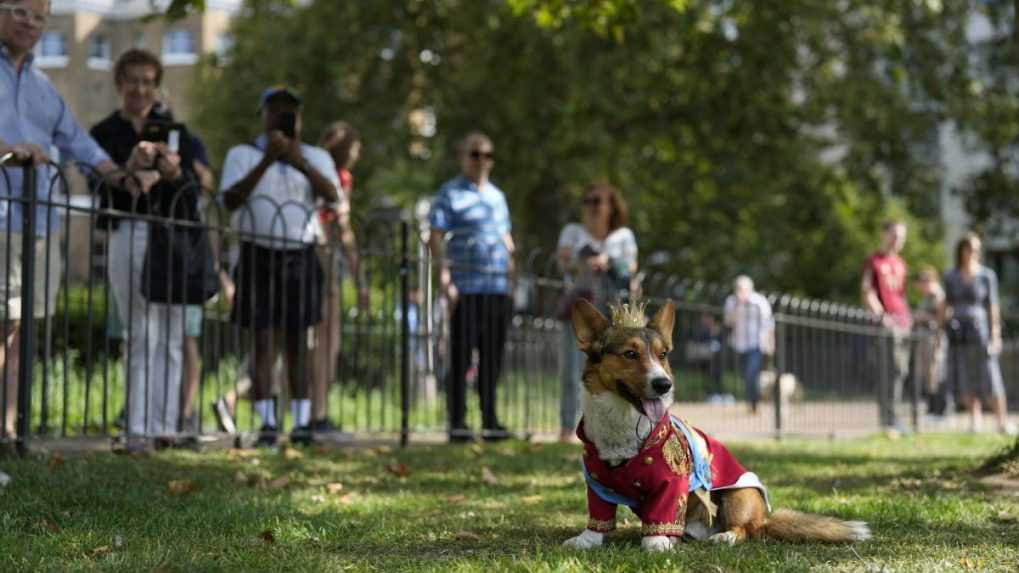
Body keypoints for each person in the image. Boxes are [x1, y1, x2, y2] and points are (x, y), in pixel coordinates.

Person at [0, 0, 147, 439]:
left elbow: (81, 146)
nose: (30, 23)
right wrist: (10, 149)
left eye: (39, 17)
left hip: (39, 226)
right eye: (19, 11)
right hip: (1, 217)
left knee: (18, 329)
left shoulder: (44, 87)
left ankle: (9, 432)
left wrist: (124, 176)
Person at [89, 48, 199, 449]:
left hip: (169, 236)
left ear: (157, 85)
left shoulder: (175, 131)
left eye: (148, 81)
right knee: (140, 331)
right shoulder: (105, 133)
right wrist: (132, 166)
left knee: (171, 332)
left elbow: (193, 191)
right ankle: (136, 427)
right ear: (120, 83)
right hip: (128, 230)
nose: (140, 89)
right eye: (133, 80)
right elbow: (96, 185)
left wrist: (174, 172)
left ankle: (164, 423)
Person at [220, 86, 340, 447]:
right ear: (264, 115)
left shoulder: (316, 156)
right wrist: (267, 160)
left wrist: (297, 159)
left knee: (298, 341)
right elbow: (229, 199)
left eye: (291, 112)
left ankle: (302, 422)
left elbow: (333, 195)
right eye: (276, 111)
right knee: (262, 340)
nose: (284, 118)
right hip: (258, 252)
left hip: (300, 254)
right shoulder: (242, 154)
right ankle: (267, 423)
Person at [428, 131, 514, 442]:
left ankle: (490, 421)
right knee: (460, 357)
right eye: (474, 154)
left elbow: (506, 239)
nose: (481, 161)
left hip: (497, 288)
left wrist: (512, 276)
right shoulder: (449, 194)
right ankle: (458, 423)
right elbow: (435, 238)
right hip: (466, 288)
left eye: (486, 155)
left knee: (492, 358)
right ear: (462, 157)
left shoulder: (497, 197)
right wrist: (445, 280)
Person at [555, 183, 637, 441]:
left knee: (615, 367)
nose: (592, 207)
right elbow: (562, 262)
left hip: (613, 309)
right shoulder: (573, 231)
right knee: (572, 369)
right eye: (588, 201)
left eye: (598, 201)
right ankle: (568, 426)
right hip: (580, 306)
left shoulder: (622, 236)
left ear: (611, 206)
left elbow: (631, 268)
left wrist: (609, 262)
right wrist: (583, 262)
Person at [311, 120, 366, 433]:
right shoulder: (339, 177)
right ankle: (318, 413)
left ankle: (236, 396)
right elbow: (343, 229)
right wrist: (359, 278)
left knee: (303, 340)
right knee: (327, 340)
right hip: (324, 255)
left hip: (306, 251)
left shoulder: (307, 169)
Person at [939, 233, 1014, 435]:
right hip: (958, 332)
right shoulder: (950, 275)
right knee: (965, 373)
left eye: (977, 249)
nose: (974, 253)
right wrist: (940, 330)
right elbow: (945, 304)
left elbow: (993, 306)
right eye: (970, 248)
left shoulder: (987, 275)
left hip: (980, 330)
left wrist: (995, 335)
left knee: (990, 374)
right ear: (962, 250)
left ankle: (1002, 421)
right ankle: (975, 419)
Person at [861, 220, 912, 435]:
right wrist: (881, 315)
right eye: (894, 235)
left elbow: (901, 295)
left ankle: (896, 417)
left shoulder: (901, 263)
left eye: (901, 236)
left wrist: (908, 317)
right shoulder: (873, 261)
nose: (898, 240)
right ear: (884, 235)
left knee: (901, 371)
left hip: (903, 323)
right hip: (886, 325)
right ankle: (887, 420)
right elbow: (866, 291)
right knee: (887, 372)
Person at [723, 276, 774, 414]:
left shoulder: (759, 301)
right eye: (738, 288)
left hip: (756, 344)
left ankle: (754, 403)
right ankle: (751, 402)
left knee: (752, 374)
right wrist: (738, 306)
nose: (740, 291)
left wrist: (771, 343)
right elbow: (728, 322)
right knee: (745, 376)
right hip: (739, 344)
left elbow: (769, 323)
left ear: (750, 289)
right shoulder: (731, 302)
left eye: (743, 288)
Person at [913, 266, 948, 426]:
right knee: (928, 375)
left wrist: (921, 316)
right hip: (925, 338)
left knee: (935, 374)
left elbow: (941, 317)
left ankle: (939, 411)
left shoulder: (937, 295)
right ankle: (932, 409)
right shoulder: (927, 296)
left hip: (934, 338)